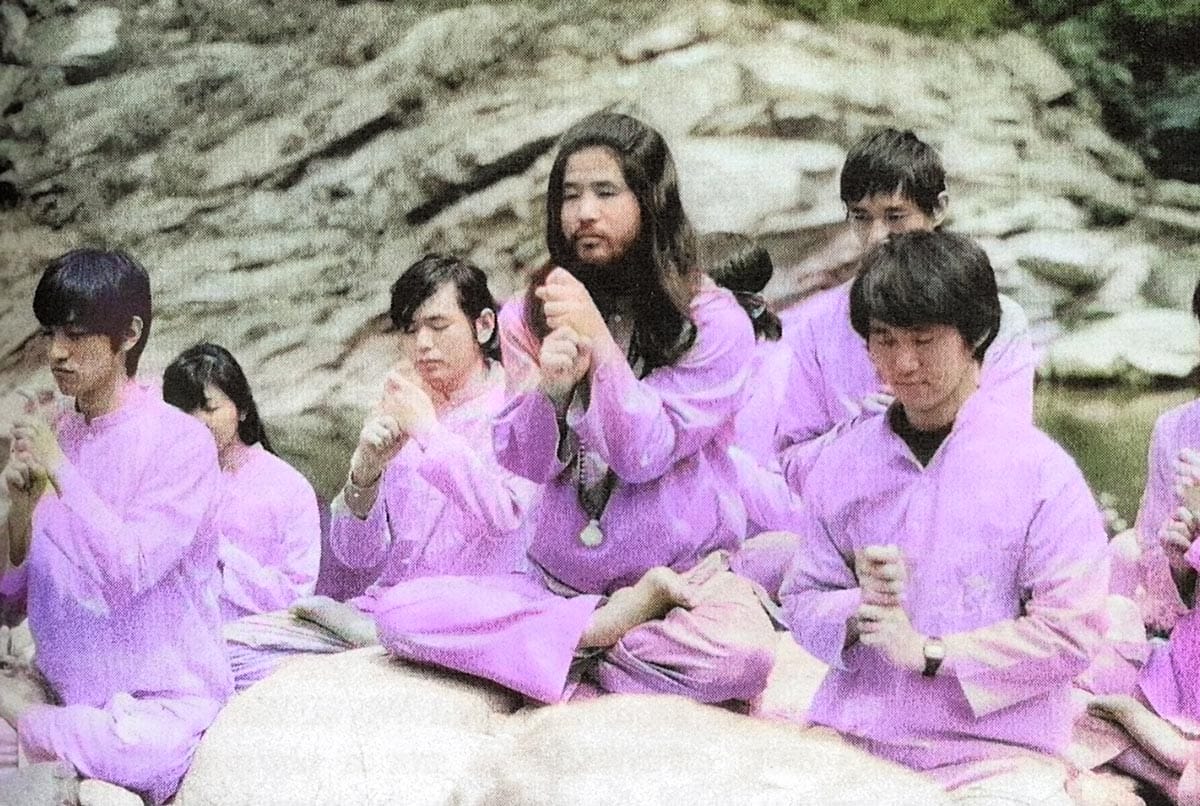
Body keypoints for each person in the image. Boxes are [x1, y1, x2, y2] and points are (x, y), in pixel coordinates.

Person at [370, 112, 777, 706]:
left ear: (652, 202)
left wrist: (600, 346)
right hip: (555, 585)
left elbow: (645, 453)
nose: (583, 211)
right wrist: (551, 391)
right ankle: (596, 633)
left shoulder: (715, 321)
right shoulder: (525, 316)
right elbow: (525, 463)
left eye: (606, 192)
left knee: (741, 658)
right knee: (402, 611)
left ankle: (557, 654)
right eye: (570, 195)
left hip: (687, 584)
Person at [780, 231, 1109, 803]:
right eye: (883, 341)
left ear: (975, 335)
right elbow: (802, 595)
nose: (902, 364)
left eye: (924, 340)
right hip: (860, 736)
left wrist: (933, 652)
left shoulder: (1040, 472)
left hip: (999, 752)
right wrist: (858, 612)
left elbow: (1071, 630)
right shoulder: (842, 463)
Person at [221, 253, 538, 688]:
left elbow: (506, 515)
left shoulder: (516, 404)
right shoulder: (401, 403)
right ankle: (383, 641)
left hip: (474, 614)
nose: (422, 343)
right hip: (382, 608)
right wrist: (364, 472)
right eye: (410, 330)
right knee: (227, 651)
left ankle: (395, 641)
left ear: (483, 326)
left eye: (438, 326)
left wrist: (427, 428)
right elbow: (357, 556)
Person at [0, 249, 231, 804]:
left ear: (129, 334)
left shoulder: (182, 441)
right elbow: (10, 603)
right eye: (51, 332)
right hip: (62, 690)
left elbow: (129, 570)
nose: (56, 352)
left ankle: (28, 723)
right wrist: (19, 510)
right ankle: (42, 727)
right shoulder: (58, 431)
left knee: (139, 750)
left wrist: (60, 468)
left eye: (76, 334)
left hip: (158, 707)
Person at [777, 128, 1036, 492]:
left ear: (939, 209)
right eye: (861, 217)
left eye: (895, 216)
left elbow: (1012, 451)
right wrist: (861, 435)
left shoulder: (999, 318)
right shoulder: (814, 326)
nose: (876, 236)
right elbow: (790, 467)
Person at [1083, 278, 1200, 805]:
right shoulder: (1177, 430)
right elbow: (1157, 597)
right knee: (1058, 675)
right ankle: (1168, 763)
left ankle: (1173, 763)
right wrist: (1175, 561)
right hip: (1186, 667)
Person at [162, 343, 321, 622]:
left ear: (243, 409)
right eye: (185, 411)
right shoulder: (166, 485)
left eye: (209, 408)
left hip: (257, 639)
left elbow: (298, 596)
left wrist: (218, 551)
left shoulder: (289, 488)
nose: (197, 422)